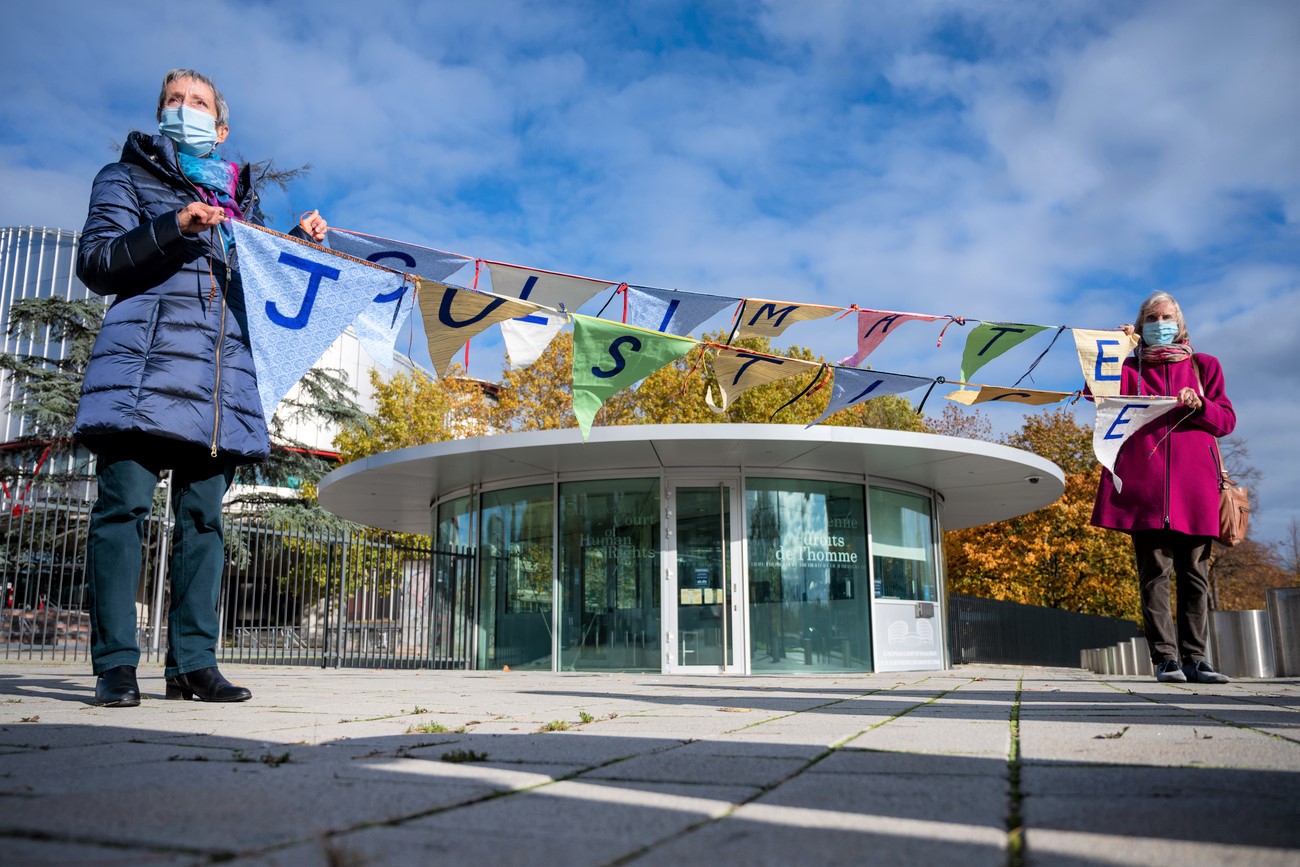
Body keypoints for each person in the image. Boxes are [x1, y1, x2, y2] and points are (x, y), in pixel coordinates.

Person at [75, 69, 328, 706]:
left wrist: (293, 247)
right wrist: (174, 227)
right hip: (144, 369)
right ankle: (115, 668)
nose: (183, 110)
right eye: (174, 101)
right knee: (122, 510)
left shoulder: (240, 208)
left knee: (204, 521)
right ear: (161, 114)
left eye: (198, 103)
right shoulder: (125, 178)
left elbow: (255, 292)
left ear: (221, 129)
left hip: (219, 381)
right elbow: (98, 262)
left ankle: (193, 664)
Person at [1091, 291, 1235, 685]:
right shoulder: (1127, 366)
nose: (1160, 324)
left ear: (1180, 322)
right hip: (1144, 489)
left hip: (1196, 491)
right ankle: (1165, 661)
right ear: (1141, 325)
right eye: (1151, 318)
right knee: (1153, 574)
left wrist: (1201, 405)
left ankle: (1196, 660)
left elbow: (1226, 421)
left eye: (1166, 316)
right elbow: (1095, 394)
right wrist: (1117, 348)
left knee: (1194, 575)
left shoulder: (1204, 366)